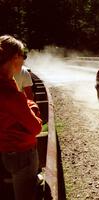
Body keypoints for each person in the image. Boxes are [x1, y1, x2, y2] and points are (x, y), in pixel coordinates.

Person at [0, 35, 42, 200]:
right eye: (23, 56)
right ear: (15, 58)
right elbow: (36, 127)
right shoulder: (11, 94)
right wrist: (33, 106)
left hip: (4, 150)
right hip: (22, 154)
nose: (24, 60)